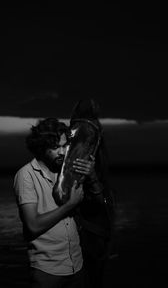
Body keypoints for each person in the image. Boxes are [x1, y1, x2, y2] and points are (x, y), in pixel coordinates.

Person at [13, 117, 86, 288]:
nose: (62, 152)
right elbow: (33, 225)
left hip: (77, 264)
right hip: (48, 271)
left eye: (64, 146)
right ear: (40, 147)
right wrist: (69, 205)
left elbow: (88, 208)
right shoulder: (26, 176)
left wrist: (89, 174)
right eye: (55, 148)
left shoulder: (67, 169)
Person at [70, 99, 116, 288]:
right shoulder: (81, 133)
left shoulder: (91, 135)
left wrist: (92, 176)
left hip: (94, 221)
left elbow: (102, 200)